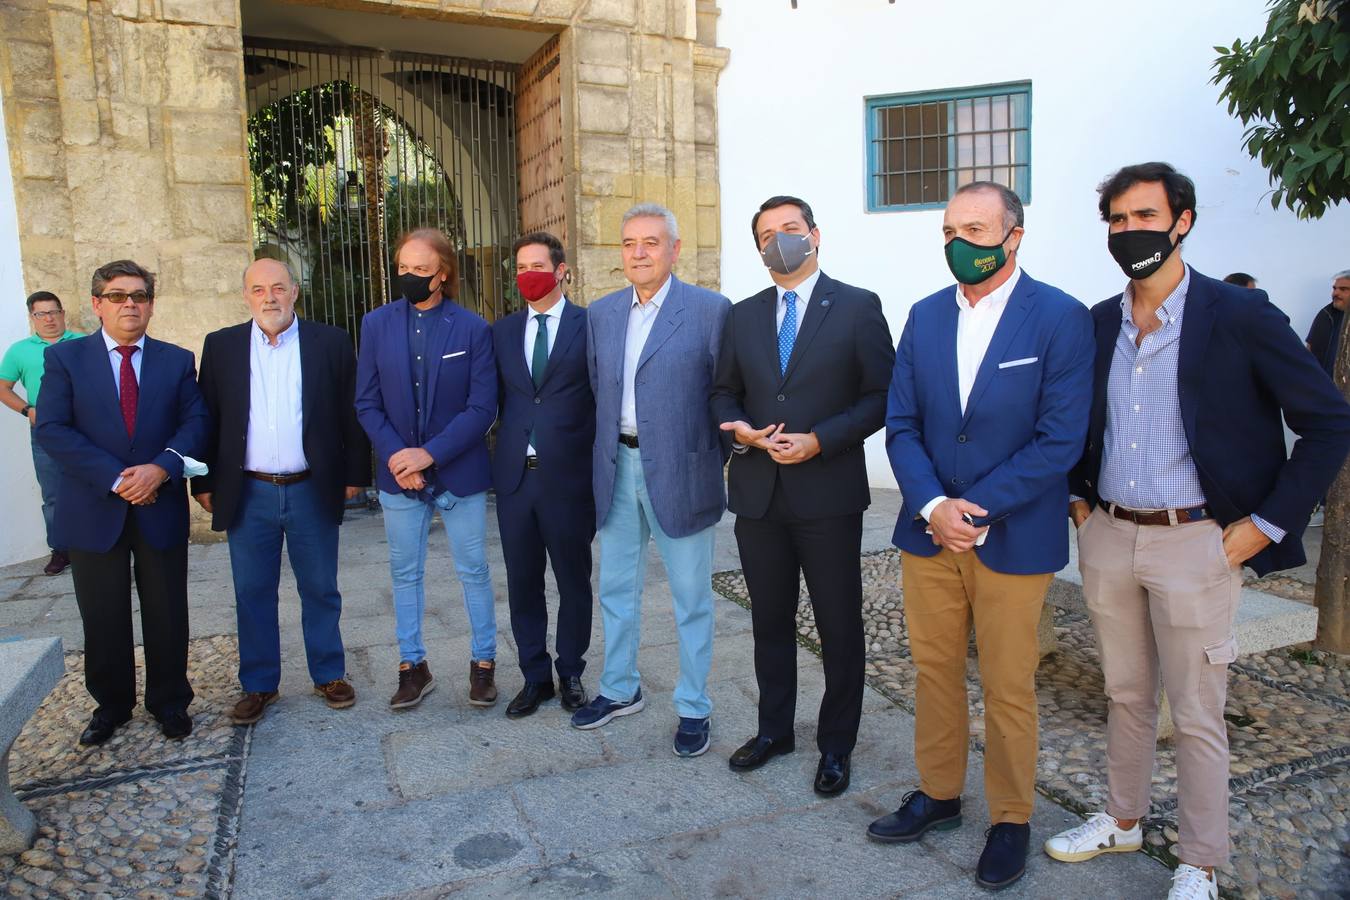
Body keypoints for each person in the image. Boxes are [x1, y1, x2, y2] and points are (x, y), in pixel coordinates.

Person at [1046, 163, 1350, 900]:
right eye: (1117, 220)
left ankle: (1200, 859)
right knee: (1125, 693)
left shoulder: (1239, 316)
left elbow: (1329, 420)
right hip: (1111, 534)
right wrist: (1079, 504)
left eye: (1144, 216)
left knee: (1195, 709)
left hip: (1200, 542)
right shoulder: (1096, 322)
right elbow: (1063, 422)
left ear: (1182, 221)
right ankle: (1121, 818)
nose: (1130, 233)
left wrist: (1265, 526)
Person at [871, 182, 1095, 891]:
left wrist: (974, 508)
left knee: (1007, 683)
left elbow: (1060, 440)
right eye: (948, 230)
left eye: (974, 228)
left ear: (1014, 235)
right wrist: (934, 503)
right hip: (930, 535)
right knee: (934, 672)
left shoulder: (1059, 318)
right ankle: (938, 795)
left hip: (1013, 536)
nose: (958, 243)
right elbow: (901, 423)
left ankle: (1010, 818)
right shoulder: (926, 315)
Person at [712, 195, 894, 795]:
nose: (778, 241)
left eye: (789, 229)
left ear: (814, 235)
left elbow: (881, 397)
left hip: (829, 493)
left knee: (839, 626)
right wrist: (739, 428)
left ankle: (836, 744)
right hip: (760, 496)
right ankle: (774, 730)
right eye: (766, 234)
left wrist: (823, 440)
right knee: (770, 622)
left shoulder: (858, 307)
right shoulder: (741, 316)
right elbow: (723, 393)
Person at [572, 202, 731, 758]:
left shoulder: (711, 311)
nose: (639, 253)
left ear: (674, 249)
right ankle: (620, 688)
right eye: (630, 244)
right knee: (616, 588)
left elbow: (724, 394)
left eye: (651, 243)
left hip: (683, 471)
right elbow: (597, 388)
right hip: (616, 467)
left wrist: (708, 455)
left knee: (691, 597)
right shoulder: (602, 314)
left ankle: (693, 706)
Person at [36, 260, 209, 745]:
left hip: (159, 503)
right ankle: (111, 705)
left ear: (151, 304)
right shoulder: (66, 361)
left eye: (138, 295)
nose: (128, 304)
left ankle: (170, 702)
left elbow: (196, 423)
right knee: (103, 613)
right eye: (117, 296)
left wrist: (162, 467)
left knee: (167, 610)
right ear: (97, 304)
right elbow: (51, 428)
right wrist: (116, 478)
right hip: (94, 508)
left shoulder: (176, 360)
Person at [192, 258, 371, 725]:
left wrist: (355, 472)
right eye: (257, 290)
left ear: (295, 291)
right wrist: (205, 480)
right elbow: (206, 418)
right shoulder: (222, 346)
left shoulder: (329, 342)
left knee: (320, 588)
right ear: (246, 296)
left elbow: (350, 412)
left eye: (277, 288)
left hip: (311, 486)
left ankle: (328, 673)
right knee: (252, 590)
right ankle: (258, 684)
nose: (268, 297)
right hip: (249, 491)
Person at [355, 228, 499, 710]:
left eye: (420, 269)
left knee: (473, 570)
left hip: (460, 474)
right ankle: (412, 666)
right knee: (404, 572)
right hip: (399, 476)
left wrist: (429, 454)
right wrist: (401, 457)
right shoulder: (375, 325)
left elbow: (482, 408)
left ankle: (483, 664)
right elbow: (367, 403)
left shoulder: (473, 328)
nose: (410, 277)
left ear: (443, 274)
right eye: (403, 268)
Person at [491, 232, 595, 718]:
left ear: (560, 270)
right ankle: (535, 677)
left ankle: (570, 670)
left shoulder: (589, 325)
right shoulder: (502, 331)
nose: (526, 274)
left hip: (569, 478)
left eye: (536, 264)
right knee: (522, 581)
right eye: (520, 267)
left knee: (573, 580)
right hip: (516, 479)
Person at [0, 291, 82, 575]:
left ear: (63, 313)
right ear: (32, 317)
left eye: (53, 312)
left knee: (97, 484)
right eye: (41, 314)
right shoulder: (19, 351)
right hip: (45, 428)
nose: (49, 319)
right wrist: (27, 410)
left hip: (85, 425)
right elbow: (3, 387)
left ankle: (97, 545)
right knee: (54, 493)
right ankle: (60, 550)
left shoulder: (83, 343)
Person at [1306, 269, 1347, 377]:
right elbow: (1308, 352)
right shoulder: (1325, 315)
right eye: (1334, 288)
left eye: (1343, 289)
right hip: (1324, 388)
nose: (1335, 293)